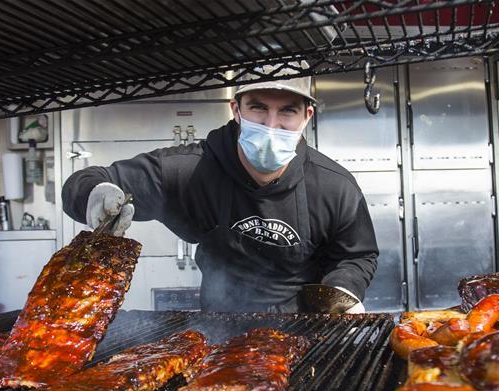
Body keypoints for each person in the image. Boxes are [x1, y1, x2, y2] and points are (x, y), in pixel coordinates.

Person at [61, 75, 378, 313]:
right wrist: (95, 193)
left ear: (306, 117)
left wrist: (343, 291)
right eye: (258, 108)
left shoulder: (334, 187)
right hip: (218, 330)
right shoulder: (189, 170)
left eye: (287, 112)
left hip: (304, 330)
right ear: (236, 110)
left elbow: (357, 254)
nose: (271, 125)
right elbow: (90, 179)